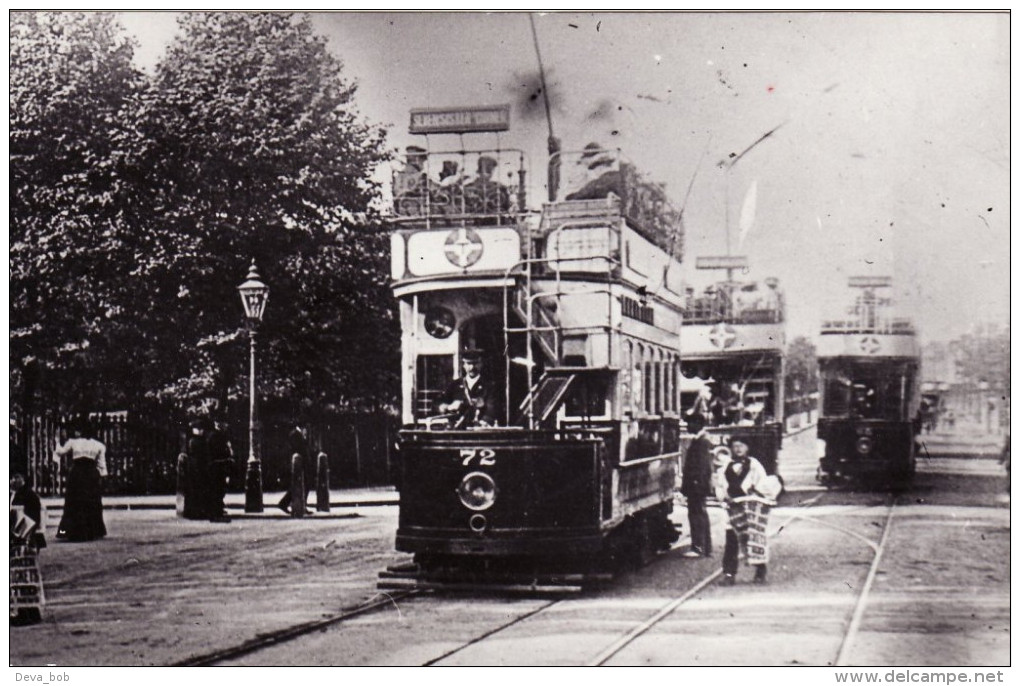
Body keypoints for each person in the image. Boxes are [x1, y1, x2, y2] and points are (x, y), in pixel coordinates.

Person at [714, 437, 781, 585]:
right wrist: (723, 497)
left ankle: (760, 570)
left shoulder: (754, 465)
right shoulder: (725, 466)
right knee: (731, 541)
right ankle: (729, 574)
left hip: (750, 507)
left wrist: (755, 492)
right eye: (735, 446)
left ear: (747, 448)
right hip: (732, 508)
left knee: (753, 539)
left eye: (741, 446)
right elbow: (720, 485)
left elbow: (763, 483)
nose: (738, 449)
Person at [53, 420, 108, 541]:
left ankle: (67, 531)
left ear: (80, 431)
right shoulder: (99, 445)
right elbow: (102, 465)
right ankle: (94, 531)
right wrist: (102, 477)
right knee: (92, 501)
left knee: (74, 502)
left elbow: (60, 452)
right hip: (91, 474)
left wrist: (57, 441)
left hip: (77, 473)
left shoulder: (73, 442)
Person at [438, 350, 500, 428]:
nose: (472, 367)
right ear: (463, 365)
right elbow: (438, 404)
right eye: (468, 364)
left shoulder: (489, 386)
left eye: (475, 363)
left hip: (479, 430)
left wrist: (483, 422)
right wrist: (448, 406)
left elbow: (492, 409)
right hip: (456, 430)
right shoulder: (454, 385)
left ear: (481, 364)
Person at [680, 413, 713, 558]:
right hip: (697, 484)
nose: (688, 427)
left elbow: (701, 466)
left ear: (698, 424)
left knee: (696, 515)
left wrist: (695, 483)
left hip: (697, 485)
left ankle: (698, 547)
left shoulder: (701, 442)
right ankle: (703, 547)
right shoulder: (701, 440)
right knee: (699, 514)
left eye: (690, 424)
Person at [277, 421, 313, 514]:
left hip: (302, 463)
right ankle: (288, 504)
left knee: (302, 485)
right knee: (303, 485)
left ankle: (288, 504)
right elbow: (297, 449)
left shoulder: (300, 434)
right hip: (298, 464)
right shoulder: (294, 434)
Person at [206, 416, 234, 523]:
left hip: (220, 465)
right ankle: (215, 513)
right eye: (224, 423)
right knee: (217, 489)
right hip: (217, 466)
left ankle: (218, 511)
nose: (226, 426)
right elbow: (217, 452)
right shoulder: (215, 436)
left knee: (220, 489)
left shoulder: (219, 435)